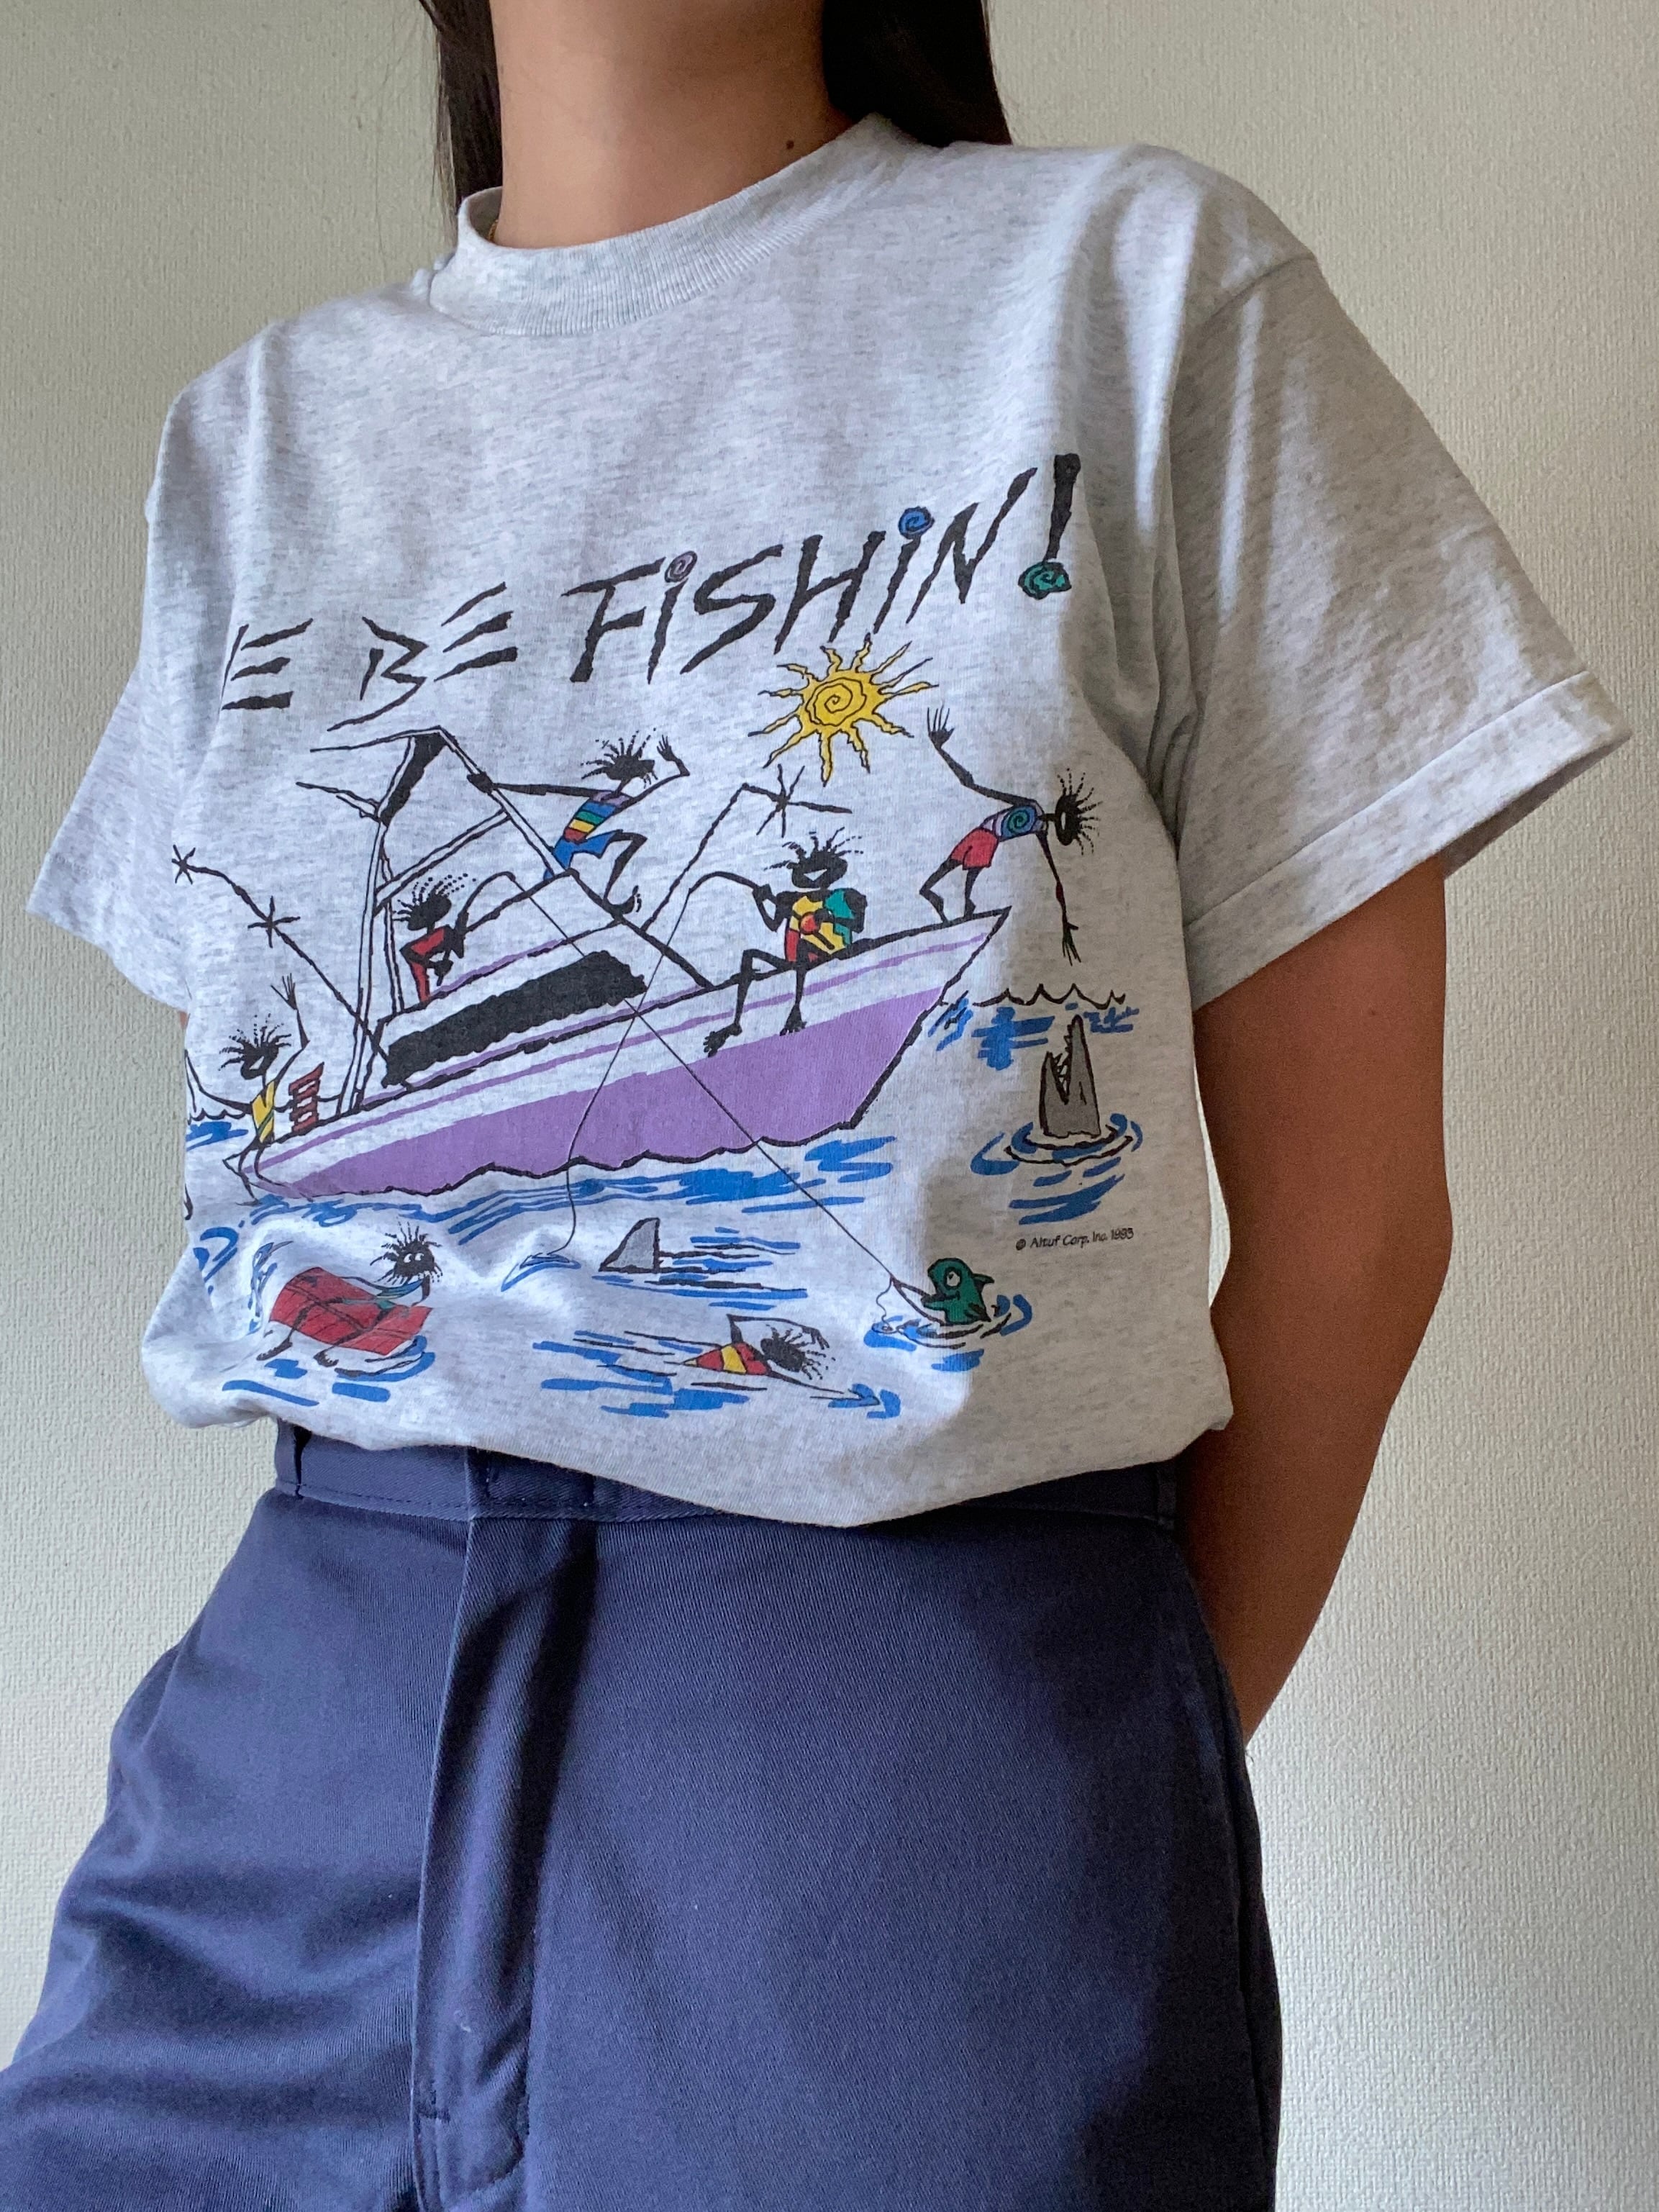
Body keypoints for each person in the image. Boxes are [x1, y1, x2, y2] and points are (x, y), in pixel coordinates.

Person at [4, 2, 1630, 2206]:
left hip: (902, 1712)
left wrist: (1054, 1761)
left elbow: (1351, 1235)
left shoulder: (1130, 293)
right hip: (291, 1718)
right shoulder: (265, 432)